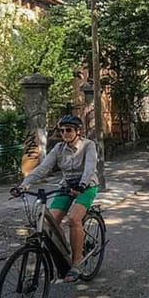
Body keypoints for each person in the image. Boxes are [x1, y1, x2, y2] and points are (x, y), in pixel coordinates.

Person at [18, 114, 98, 283]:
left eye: (68, 130)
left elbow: (90, 168)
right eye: (62, 131)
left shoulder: (88, 145)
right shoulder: (59, 148)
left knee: (74, 219)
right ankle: (65, 249)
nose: (65, 133)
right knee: (51, 222)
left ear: (78, 131)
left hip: (87, 186)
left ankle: (76, 263)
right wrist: (24, 185)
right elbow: (43, 168)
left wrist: (82, 185)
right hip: (67, 186)